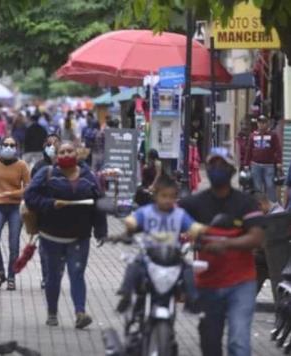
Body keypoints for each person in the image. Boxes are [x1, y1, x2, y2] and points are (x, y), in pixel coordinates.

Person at [178, 147, 264, 356]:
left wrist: (226, 244)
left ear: (232, 170)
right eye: (213, 164)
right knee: (210, 343)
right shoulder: (195, 202)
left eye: (222, 165)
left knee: (238, 341)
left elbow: (256, 238)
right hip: (208, 284)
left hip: (241, 283)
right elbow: (170, 219)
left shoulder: (245, 203)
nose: (217, 169)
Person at [24, 141, 107, 329]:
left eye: (70, 151)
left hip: (79, 237)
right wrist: (51, 203)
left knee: (77, 273)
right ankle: (52, 312)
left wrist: (101, 231)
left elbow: (99, 204)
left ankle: (80, 313)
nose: (66, 154)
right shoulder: (47, 174)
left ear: (77, 154)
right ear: (56, 156)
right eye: (62, 152)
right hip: (51, 237)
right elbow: (30, 197)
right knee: (53, 276)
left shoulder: (89, 177)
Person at [116, 175, 204, 313]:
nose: (168, 200)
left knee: (188, 270)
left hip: (172, 255)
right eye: (164, 196)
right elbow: (133, 220)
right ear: (156, 196)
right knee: (134, 266)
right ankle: (126, 295)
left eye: (171, 197)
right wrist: (130, 223)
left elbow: (193, 226)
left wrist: (200, 230)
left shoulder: (179, 214)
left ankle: (192, 300)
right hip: (149, 254)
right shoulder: (146, 211)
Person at [0, 137, 30, 291]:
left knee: (14, 244)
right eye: (6, 145)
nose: (9, 148)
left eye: (12, 145)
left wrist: (13, 193)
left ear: (17, 148)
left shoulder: (22, 165)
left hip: (15, 208)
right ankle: (0, 272)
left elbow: (29, 188)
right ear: (0, 146)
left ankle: (11, 277)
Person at [30, 133, 61, 289]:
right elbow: (31, 191)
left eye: (55, 143)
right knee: (44, 248)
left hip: (63, 213)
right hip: (44, 213)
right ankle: (46, 277)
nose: (52, 147)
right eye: (49, 144)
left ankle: (56, 274)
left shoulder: (67, 165)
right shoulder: (39, 166)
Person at [244, 115, 282, 202]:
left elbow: (278, 149)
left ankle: (273, 206)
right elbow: (249, 150)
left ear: (267, 123)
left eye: (264, 122)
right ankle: (259, 206)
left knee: (270, 186)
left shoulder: (273, 135)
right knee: (257, 187)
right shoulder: (253, 135)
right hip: (255, 165)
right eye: (260, 122)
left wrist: (279, 162)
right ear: (257, 124)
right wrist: (246, 164)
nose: (262, 124)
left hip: (269, 165)